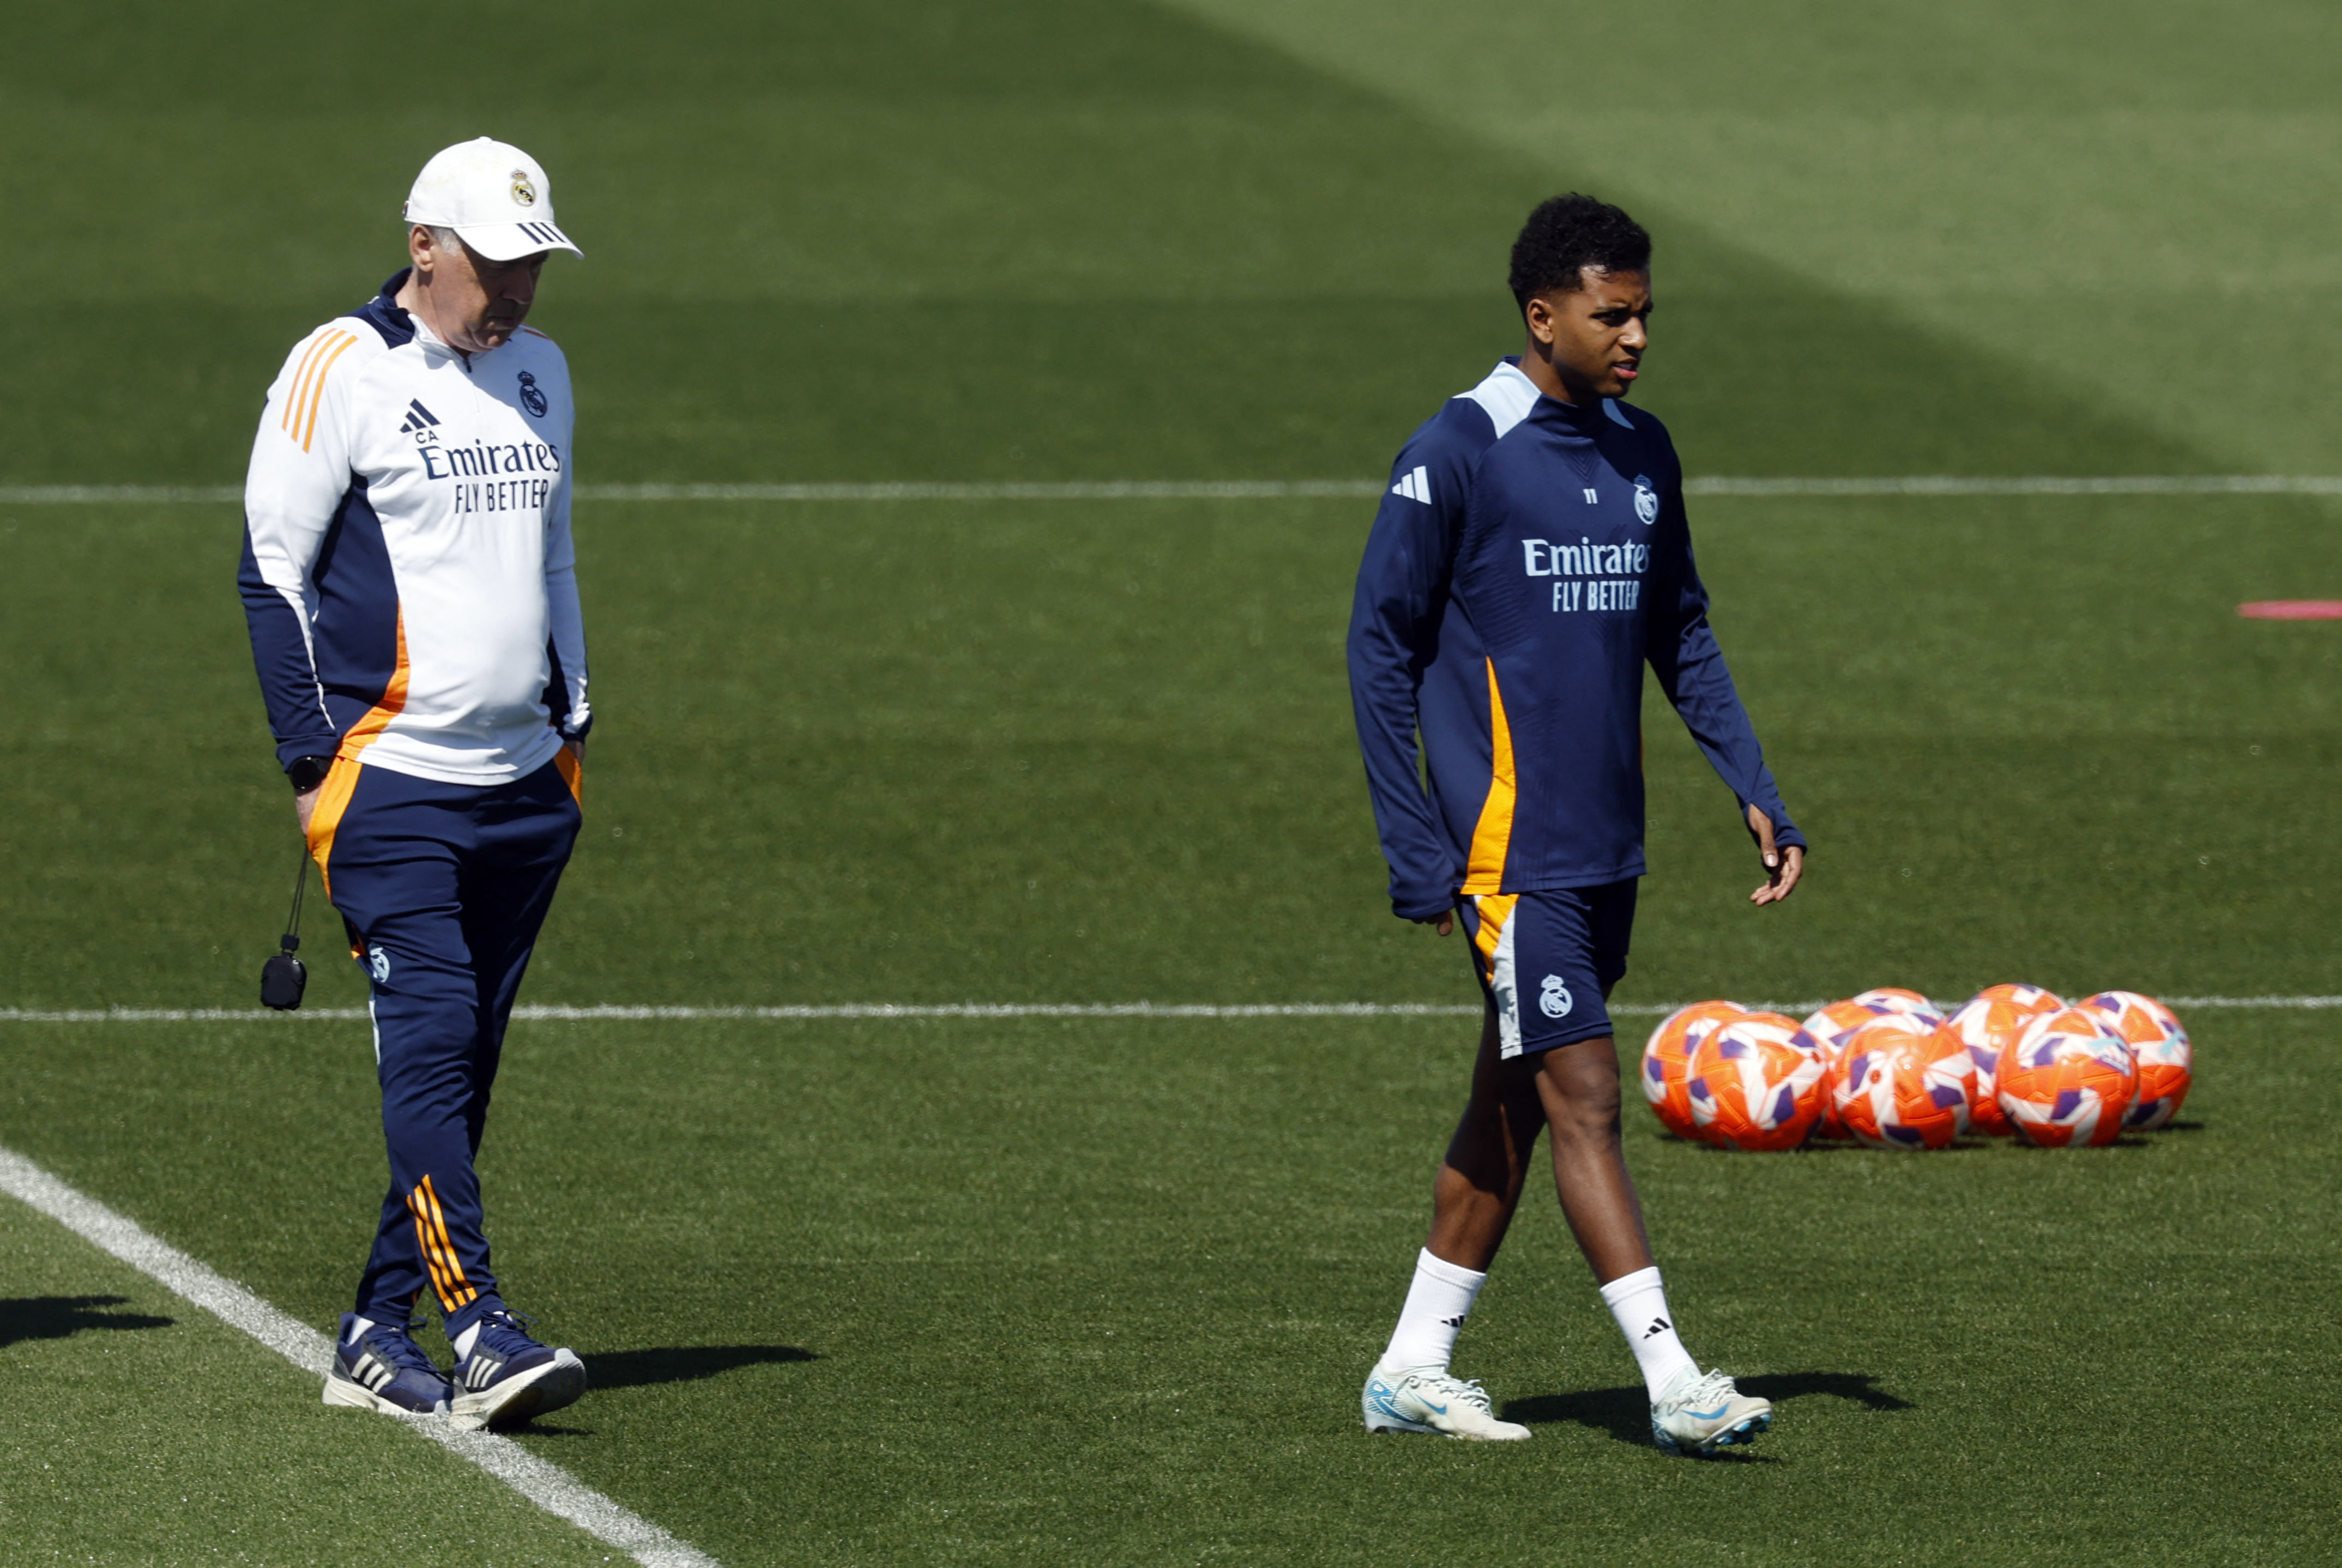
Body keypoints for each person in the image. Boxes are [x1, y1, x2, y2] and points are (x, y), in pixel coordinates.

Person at [1345, 194, 1806, 1452]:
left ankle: (1410, 1366)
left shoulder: (1645, 450)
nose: (1637, 336)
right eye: (1614, 314)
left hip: (1607, 844)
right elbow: (1378, 646)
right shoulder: (1462, 446)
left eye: (1646, 313)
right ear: (1543, 315)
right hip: (1509, 851)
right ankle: (1676, 1379)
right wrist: (1414, 841)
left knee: (1518, 1096)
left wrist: (1752, 779)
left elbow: (1681, 627)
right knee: (1587, 1090)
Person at [238, 137, 594, 1430]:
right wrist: (309, 761)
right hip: (389, 782)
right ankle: (481, 1326)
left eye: (531, 266)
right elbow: (269, 569)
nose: (515, 291)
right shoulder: (342, 367)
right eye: (494, 266)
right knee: (436, 1036)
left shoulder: (543, 371)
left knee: (460, 1065)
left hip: (527, 784)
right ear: (423, 248)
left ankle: (374, 1330)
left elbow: (554, 556)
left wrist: (577, 714)